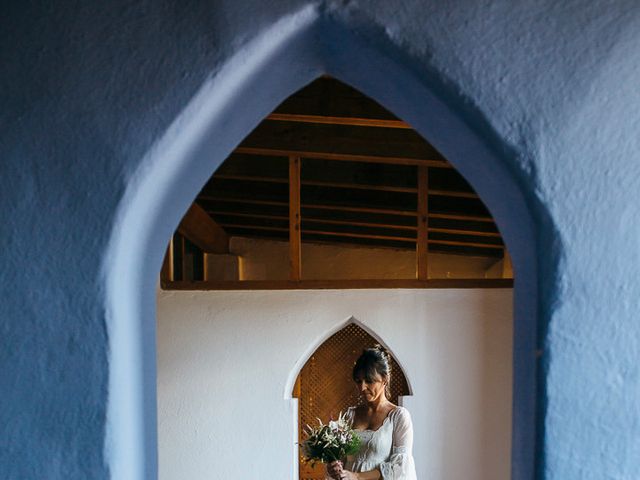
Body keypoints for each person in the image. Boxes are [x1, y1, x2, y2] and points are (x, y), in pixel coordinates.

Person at [326, 345, 417, 480]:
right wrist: (333, 467)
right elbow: (341, 459)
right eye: (358, 381)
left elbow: (399, 467)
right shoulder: (350, 415)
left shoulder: (398, 417)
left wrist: (357, 476)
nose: (362, 387)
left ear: (385, 379)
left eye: (369, 381)